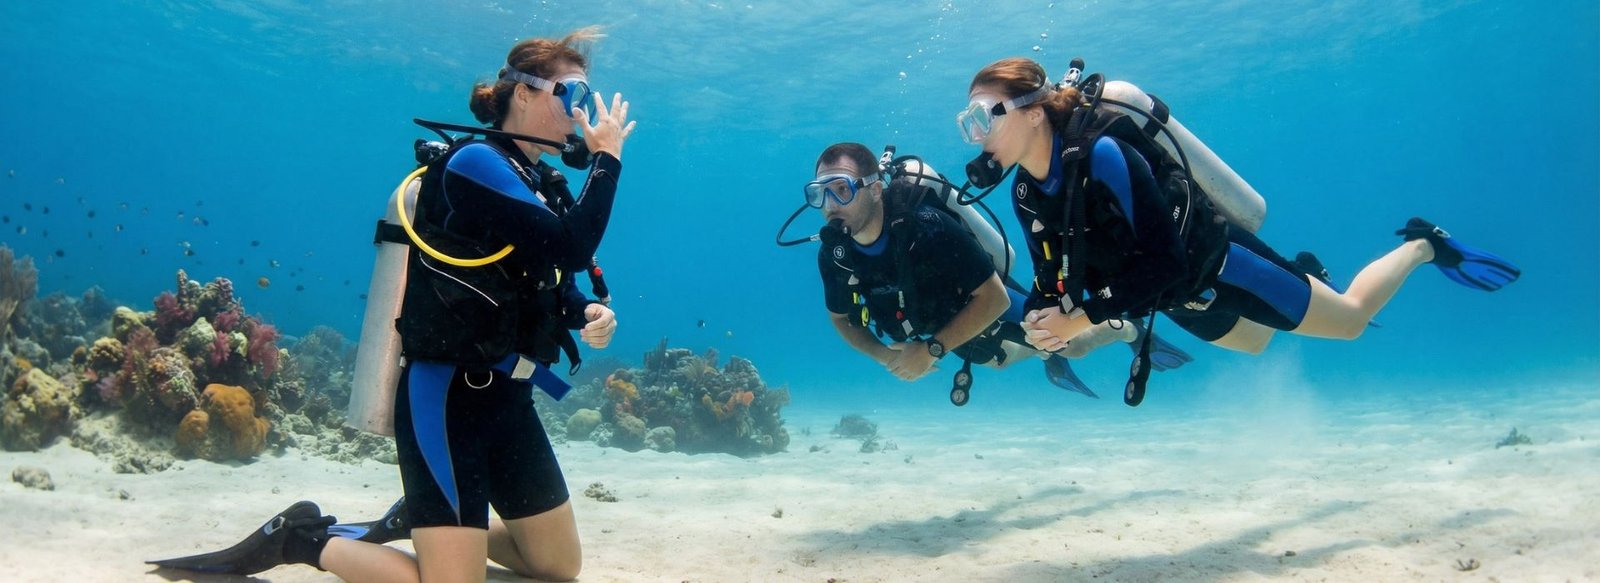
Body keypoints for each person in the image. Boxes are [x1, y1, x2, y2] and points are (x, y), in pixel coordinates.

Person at [149, 27, 635, 582]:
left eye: (586, 99)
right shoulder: (475, 163)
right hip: (451, 398)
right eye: (570, 96)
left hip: (511, 400)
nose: (581, 114)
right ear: (522, 93)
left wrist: (585, 313)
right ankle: (304, 538)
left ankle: (425, 526)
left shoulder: (543, 182)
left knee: (557, 566)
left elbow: (549, 276)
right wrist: (607, 160)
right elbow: (572, 244)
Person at [956, 57, 1519, 395]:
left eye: (985, 116)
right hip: (1168, 298)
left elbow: (1165, 260)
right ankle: (1304, 275)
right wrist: (1042, 317)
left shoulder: (1102, 156)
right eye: (968, 122)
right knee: (1257, 344)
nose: (977, 133)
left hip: (1216, 266)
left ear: (1032, 111)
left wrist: (1079, 318)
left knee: (1348, 321)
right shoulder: (1028, 189)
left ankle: (1424, 244)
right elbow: (1051, 272)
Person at [809, 142, 1191, 403]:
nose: (829, 205)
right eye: (818, 194)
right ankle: (1044, 356)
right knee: (1001, 362)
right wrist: (883, 356)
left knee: (1067, 343)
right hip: (941, 324)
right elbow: (841, 318)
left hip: (980, 302)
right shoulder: (836, 254)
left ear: (875, 189)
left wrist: (930, 350)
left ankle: (1128, 329)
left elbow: (995, 297)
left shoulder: (926, 228)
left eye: (841, 189)